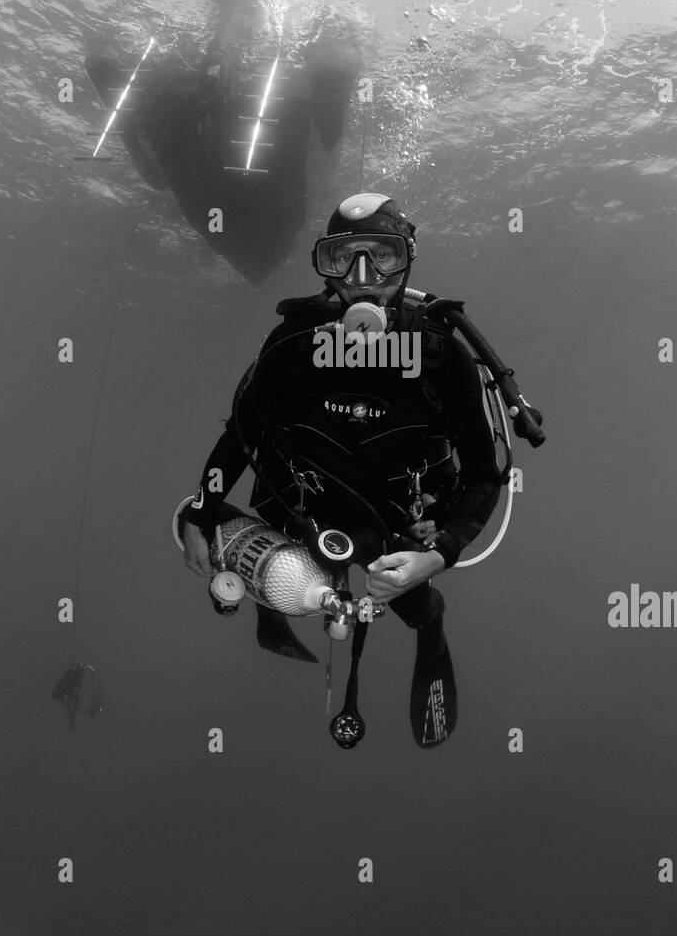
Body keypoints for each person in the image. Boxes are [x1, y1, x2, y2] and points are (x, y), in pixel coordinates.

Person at [180, 193, 539, 747]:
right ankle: (272, 598)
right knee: (235, 546)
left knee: (420, 608)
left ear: (409, 260)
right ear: (324, 265)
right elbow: (241, 435)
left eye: (383, 257)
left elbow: (485, 478)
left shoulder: (443, 355)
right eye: (343, 257)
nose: (363, 277)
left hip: (394, 531)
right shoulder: (294, 344)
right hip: (294, 509)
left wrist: (435, 555)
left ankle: (430, 633)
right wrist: (198, 513)